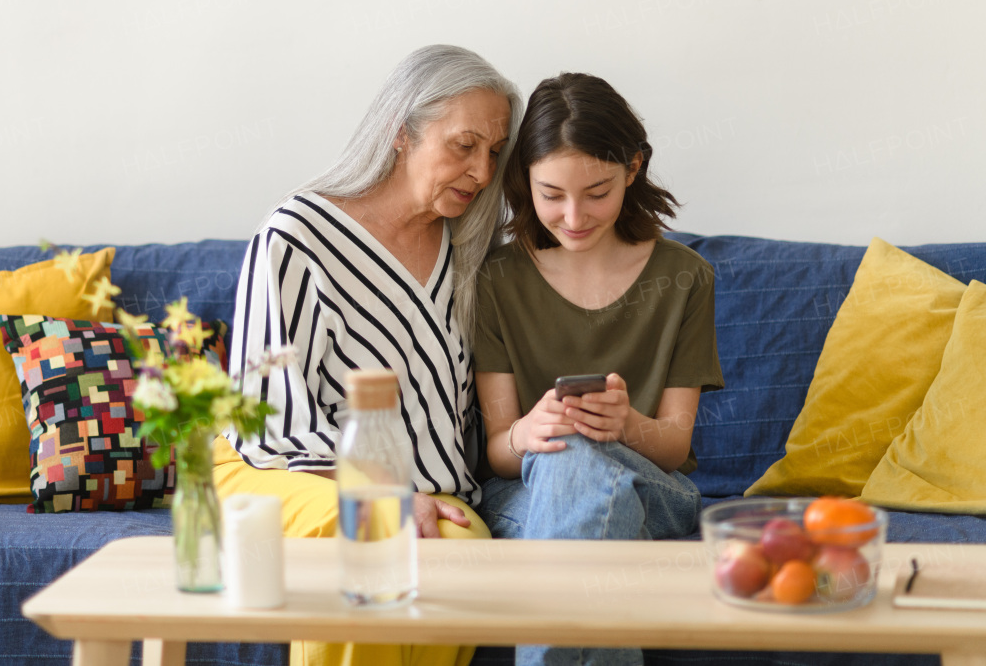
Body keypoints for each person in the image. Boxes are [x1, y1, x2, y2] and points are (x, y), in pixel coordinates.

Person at [215, 44, 522, 666]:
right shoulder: (295, 236)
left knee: (461, 556)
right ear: (400, 133)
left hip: (431, 489)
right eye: (463, 146)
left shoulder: (471, 251)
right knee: (376, 532)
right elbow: (270, 417)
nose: (483, 173)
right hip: (284, 467)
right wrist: (384, 495)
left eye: (494, 152)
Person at [472, 73, 724, 666]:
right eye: (551, 193)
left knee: (584, 467)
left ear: (633, 168)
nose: (574, 215)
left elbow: (673, 444)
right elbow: (499, 453)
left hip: (654, 485)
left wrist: (626, 425)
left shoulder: (685, 277)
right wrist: (529, 431)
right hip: (528, 490)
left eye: (597, 191)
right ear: (523, 179)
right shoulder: (496, 280)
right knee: (576, 472)